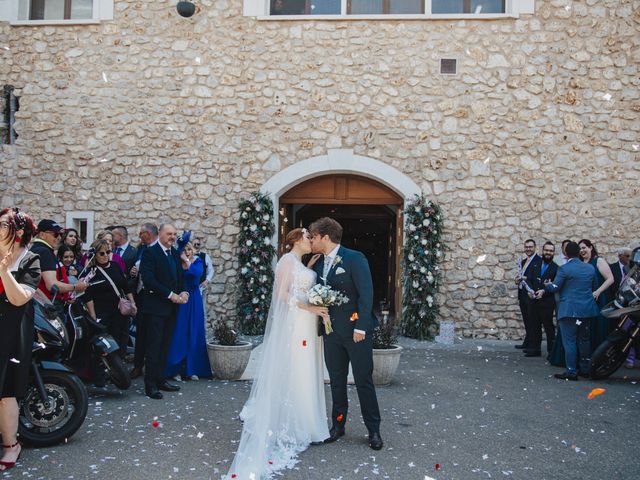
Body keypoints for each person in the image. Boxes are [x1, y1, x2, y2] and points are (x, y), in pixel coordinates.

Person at [226, 228, 329, 480]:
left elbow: (300, 283)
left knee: (306, 369)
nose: (310, 240)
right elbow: (281, 295)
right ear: (295, 240)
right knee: (297, 369)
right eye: (307, 237)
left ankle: (309, 422)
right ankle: (299, 424)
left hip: (307, 322)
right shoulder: (286, 260)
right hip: (296, 323)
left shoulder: (299, 262)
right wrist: (310, 307)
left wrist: (310, 268)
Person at [309, 217, 383, 451]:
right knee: (337, 382)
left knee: (363, 381)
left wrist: (362, 326)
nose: (311, 240)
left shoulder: (354, 258)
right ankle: (338, 426)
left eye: (314, 237)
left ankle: (374, 430)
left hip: (356, 332)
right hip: (331, 334)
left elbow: (366, 294)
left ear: (325, 237)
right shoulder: (318, 262)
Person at [0, 208, 40, 472]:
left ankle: (11, 445)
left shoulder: (30, 259)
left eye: (3, 224)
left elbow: (18, 298)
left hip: (12, 331)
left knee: (5, 390)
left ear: (19, 231)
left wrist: (3, 270)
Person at [139, 223, 189, 400]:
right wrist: (171, 295)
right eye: (169, 233)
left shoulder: (174, 253)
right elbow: (149, 280)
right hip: (155, 308)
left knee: (165, 345)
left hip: (171, 308)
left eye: (175, 234)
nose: (172, 237)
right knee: (153, 346)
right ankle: (150, 384)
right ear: (159, 233)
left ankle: (160, 379)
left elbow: (179, 277)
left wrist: (183, 291)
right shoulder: (150, 253)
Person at [541, 241, 600, 380]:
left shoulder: (564, 269)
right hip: (586, 310)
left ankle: (572, 371)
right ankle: (585, 369)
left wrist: (547, 285)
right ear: (579, 252)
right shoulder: (590, 268)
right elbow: (593, 286)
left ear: (566, 253)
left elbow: (555, 287)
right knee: (584, 340)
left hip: (569, 310)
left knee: (570, 341)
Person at [82, 239, 137, 361]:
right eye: (102, 253)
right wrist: (93, 316)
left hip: (120, 312)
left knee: (121, 340)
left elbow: (125, 286)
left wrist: (132, 303)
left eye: (108, 252)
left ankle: (119, 369)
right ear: (94, 255)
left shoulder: (116, 266)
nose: (106, 255)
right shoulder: (91, 272)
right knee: (107, 344)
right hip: (103, 313)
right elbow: (88, 296)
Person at [164, 242, 212, 380]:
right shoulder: (176, 263)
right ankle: (176, 369)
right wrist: (182, 261)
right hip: (181, 299)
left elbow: (196, 274)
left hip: (194, 299)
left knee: (195, 331)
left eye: (189, 249)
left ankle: (193, 369)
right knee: (180, 332)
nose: (187, 252)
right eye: (184, 250)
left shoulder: (197, 262)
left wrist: (186, 260)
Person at [30, 220, 88, 312]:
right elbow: (52, 285)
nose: (59, 238)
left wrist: (66, 296)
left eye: (60, 235)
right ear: (42, 235)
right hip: (49, 305)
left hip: (48, 302)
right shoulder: (44, 252)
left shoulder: (41, 249)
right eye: (55, 234)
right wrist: (75, 287)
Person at [129, 223, 159, 379]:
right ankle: (137, 365)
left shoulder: (159, 250)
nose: (139, 236)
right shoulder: (141, 248)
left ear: (148, 233)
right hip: (141, 295)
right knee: (140, 333)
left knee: (154, 335)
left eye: (141, 233)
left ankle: (154, 369)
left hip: (155, 296)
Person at [578, 239, 614, 351]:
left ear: (591, 247)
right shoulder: (580, 263)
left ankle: (596, 354)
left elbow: (610, 279)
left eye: (584, 247)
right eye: (580, 249)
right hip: (582, 300)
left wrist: (598, 291)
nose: (582, 250)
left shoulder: (598, 261)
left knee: (596, 326)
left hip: (596, 299)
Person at [527, 242, 558, 357]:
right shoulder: (535, 264)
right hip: (533, 301)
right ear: (542, 251)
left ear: (553, 253)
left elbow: (556, 285)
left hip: (547, 303)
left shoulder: (556, 268)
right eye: (546, 250)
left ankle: (551, 352)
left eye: (551, 251)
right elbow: (529, 279)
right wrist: (530, 291)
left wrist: (544, 292)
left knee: (548, 327)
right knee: (534, 326)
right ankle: (535, 349)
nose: (548, 253)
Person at [514, 239, 541, 350]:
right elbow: (521, 276)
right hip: (523, 294)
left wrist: (524, 278)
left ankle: (534, 346)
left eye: (530, 247)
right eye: (526, 247)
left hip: (531, 295)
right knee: (526, 320)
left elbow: (536, 278)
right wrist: (517, 280)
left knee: (533, 321)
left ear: (535, 247)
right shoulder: (523, 261)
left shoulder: (539, 261)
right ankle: (528, 341)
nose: (528, 249)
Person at [192, 237, 214, 321]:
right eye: (195, 244)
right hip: (191, 288)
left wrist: (207, 280)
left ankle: (203, 331)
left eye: (198, 244)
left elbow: (211, 270)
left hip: (202, 288)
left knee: (202, 309)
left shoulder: (205, 256)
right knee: (192, 310)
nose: (197, 245)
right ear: (192, 245)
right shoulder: (188, 255)